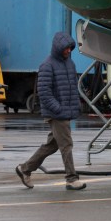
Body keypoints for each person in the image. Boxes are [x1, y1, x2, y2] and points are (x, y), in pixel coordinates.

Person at [15, 31, 86, 190]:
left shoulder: (70, 63)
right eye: (66, 48)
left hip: (64, 111)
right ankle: (71, 178)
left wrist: (76, 106)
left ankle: (24, 169)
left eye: (70, 48)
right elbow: (44, 92)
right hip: (57, 114)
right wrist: (58, 109)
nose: (68, 51)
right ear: (58, 48)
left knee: (52, 145)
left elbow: (73, 88)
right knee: (66, 144)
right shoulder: (47, 65)